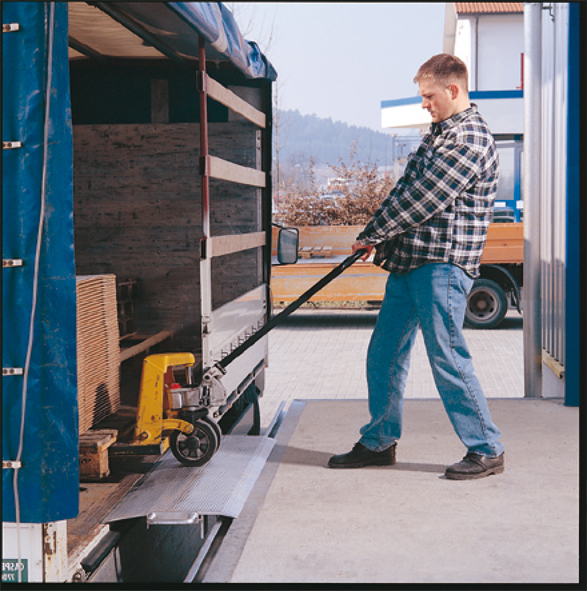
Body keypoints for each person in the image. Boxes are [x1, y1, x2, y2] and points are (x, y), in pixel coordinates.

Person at [328, 54, 504, 480]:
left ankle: (487, 447)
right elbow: (404, 189)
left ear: (453, 90)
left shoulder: (469, 138)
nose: (424, 104)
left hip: (442, 266)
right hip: (410, 264)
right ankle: (378, 441)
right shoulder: (438, 135)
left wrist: (376, 232)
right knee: (384, 352)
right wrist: (377, 235)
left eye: (429, 96)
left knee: (447, 356)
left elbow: (426, 198)